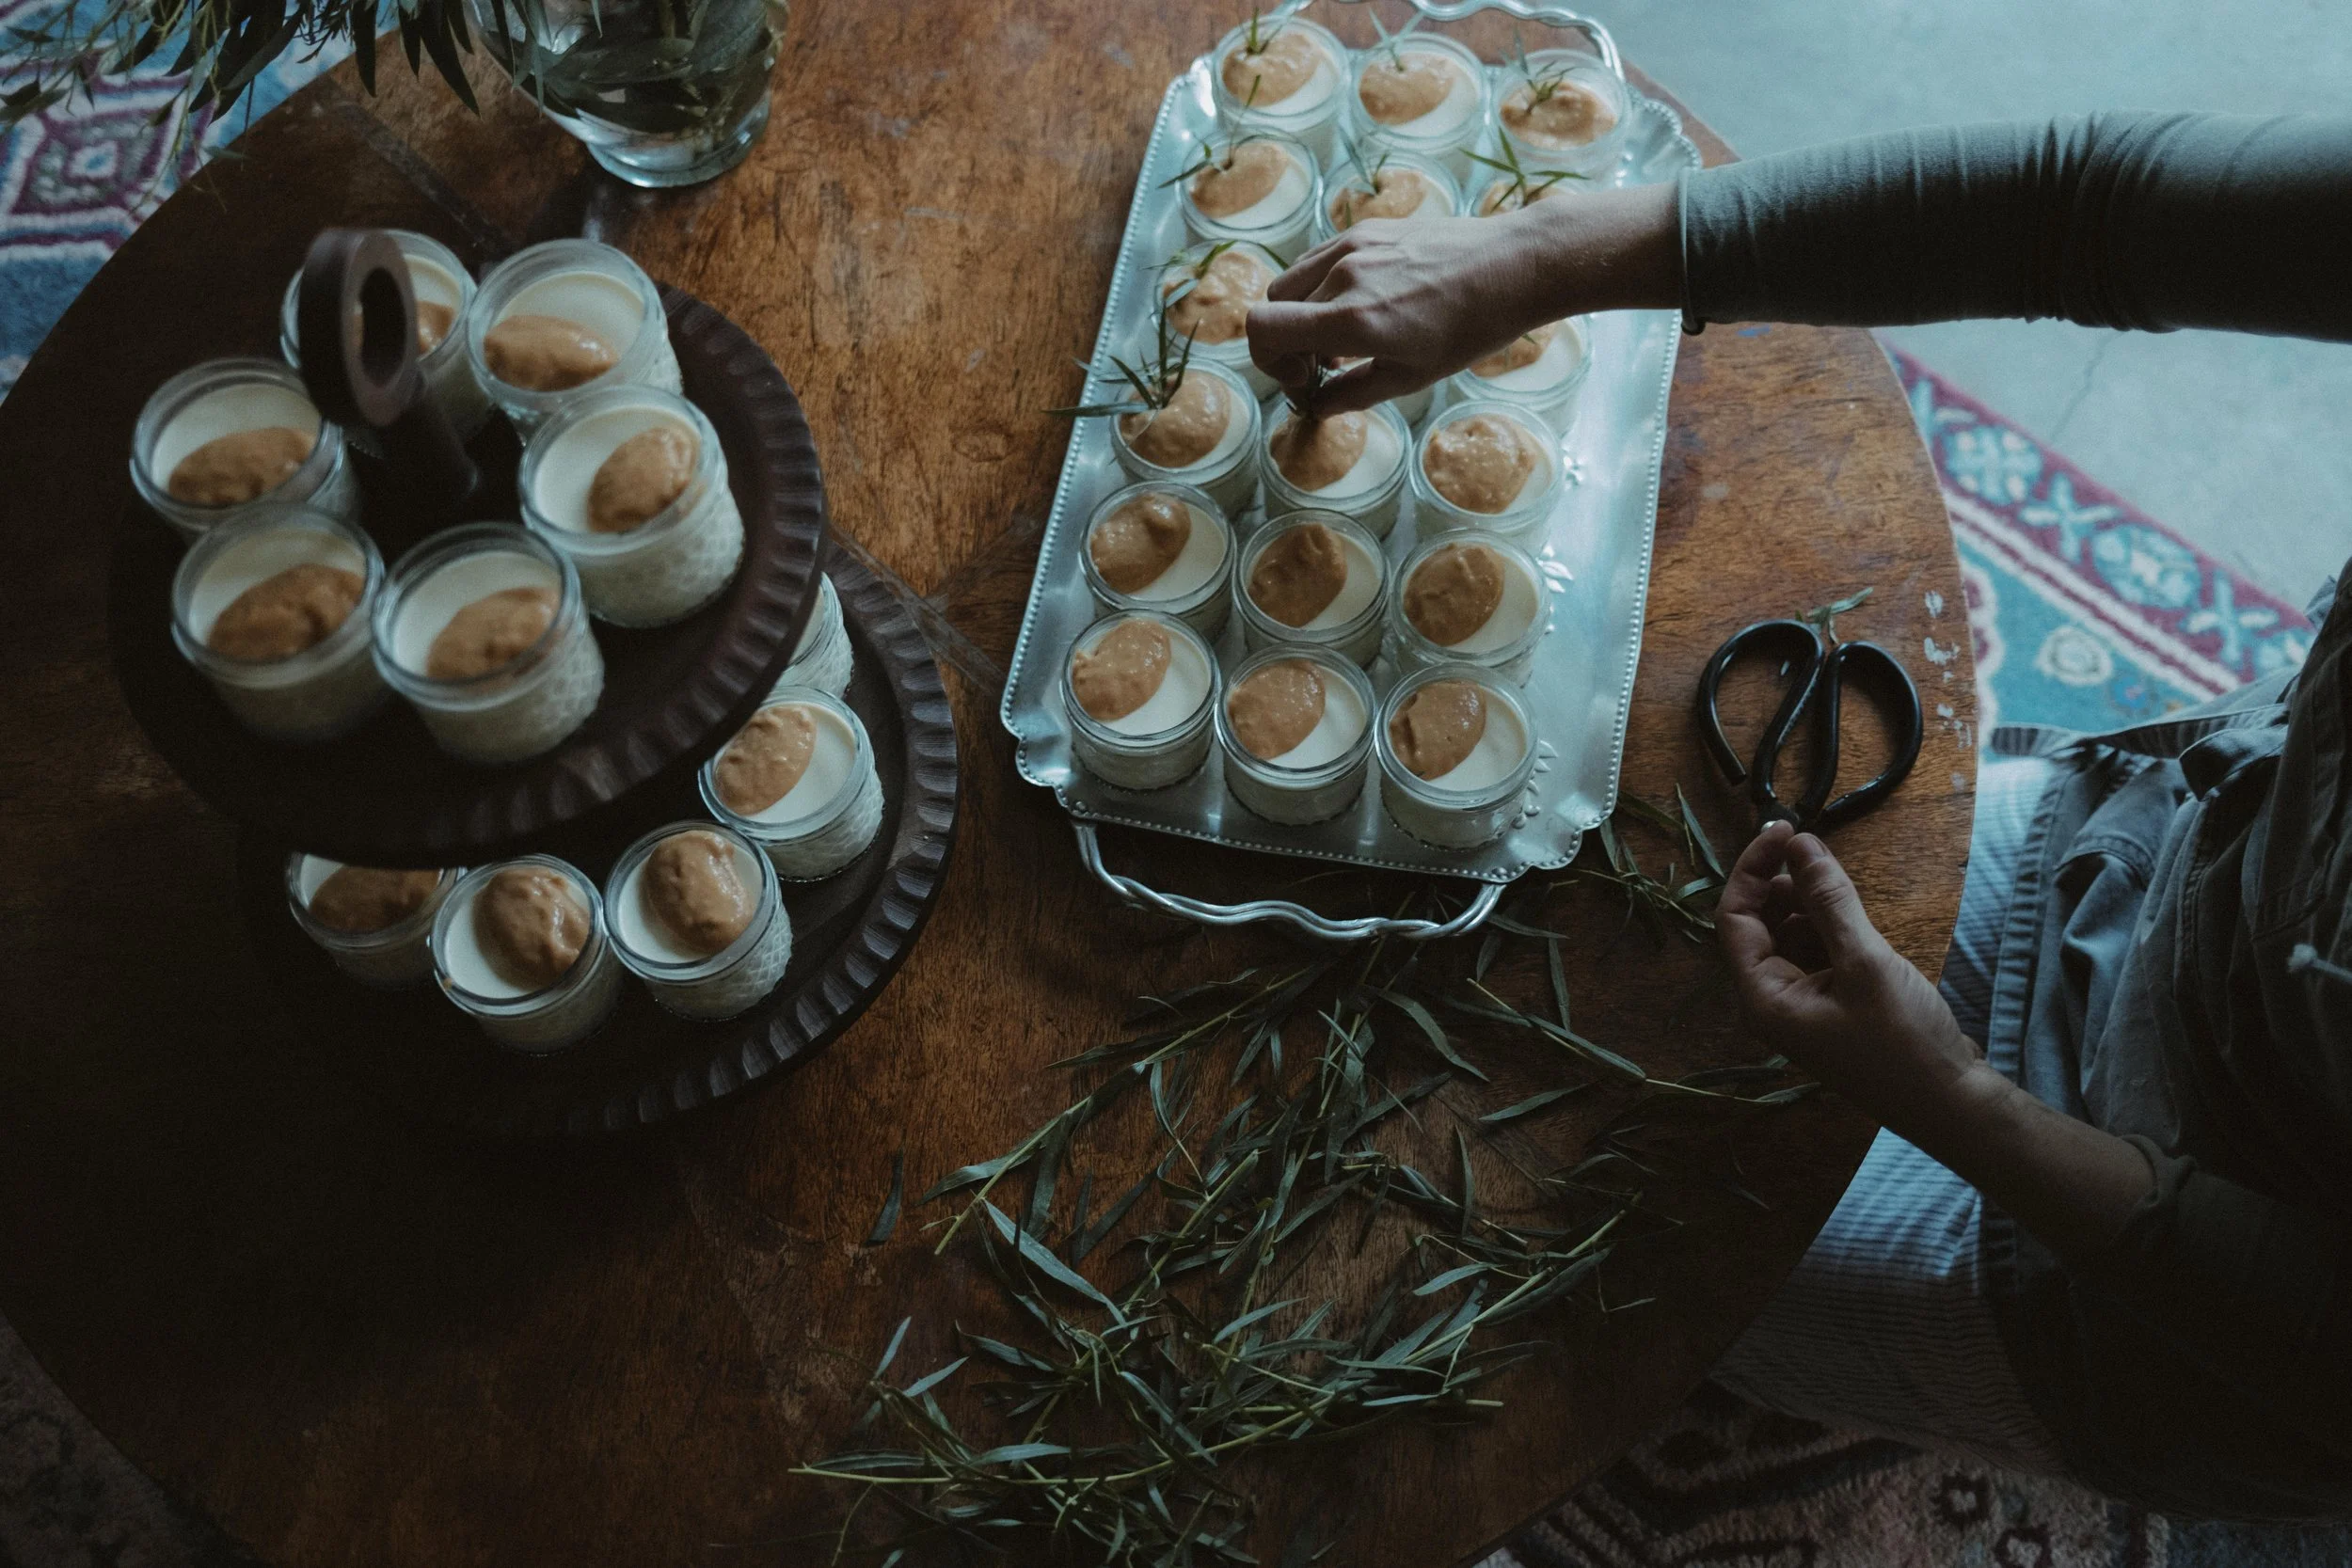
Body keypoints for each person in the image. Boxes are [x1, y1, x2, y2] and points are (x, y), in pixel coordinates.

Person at [1247, 113, 2352, 1519]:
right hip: (2147, 857)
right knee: (1582, 956)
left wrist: (1949, 1093)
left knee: (1560, 1238)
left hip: (2154, 1281)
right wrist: (1536, 253)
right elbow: (2085, 207)